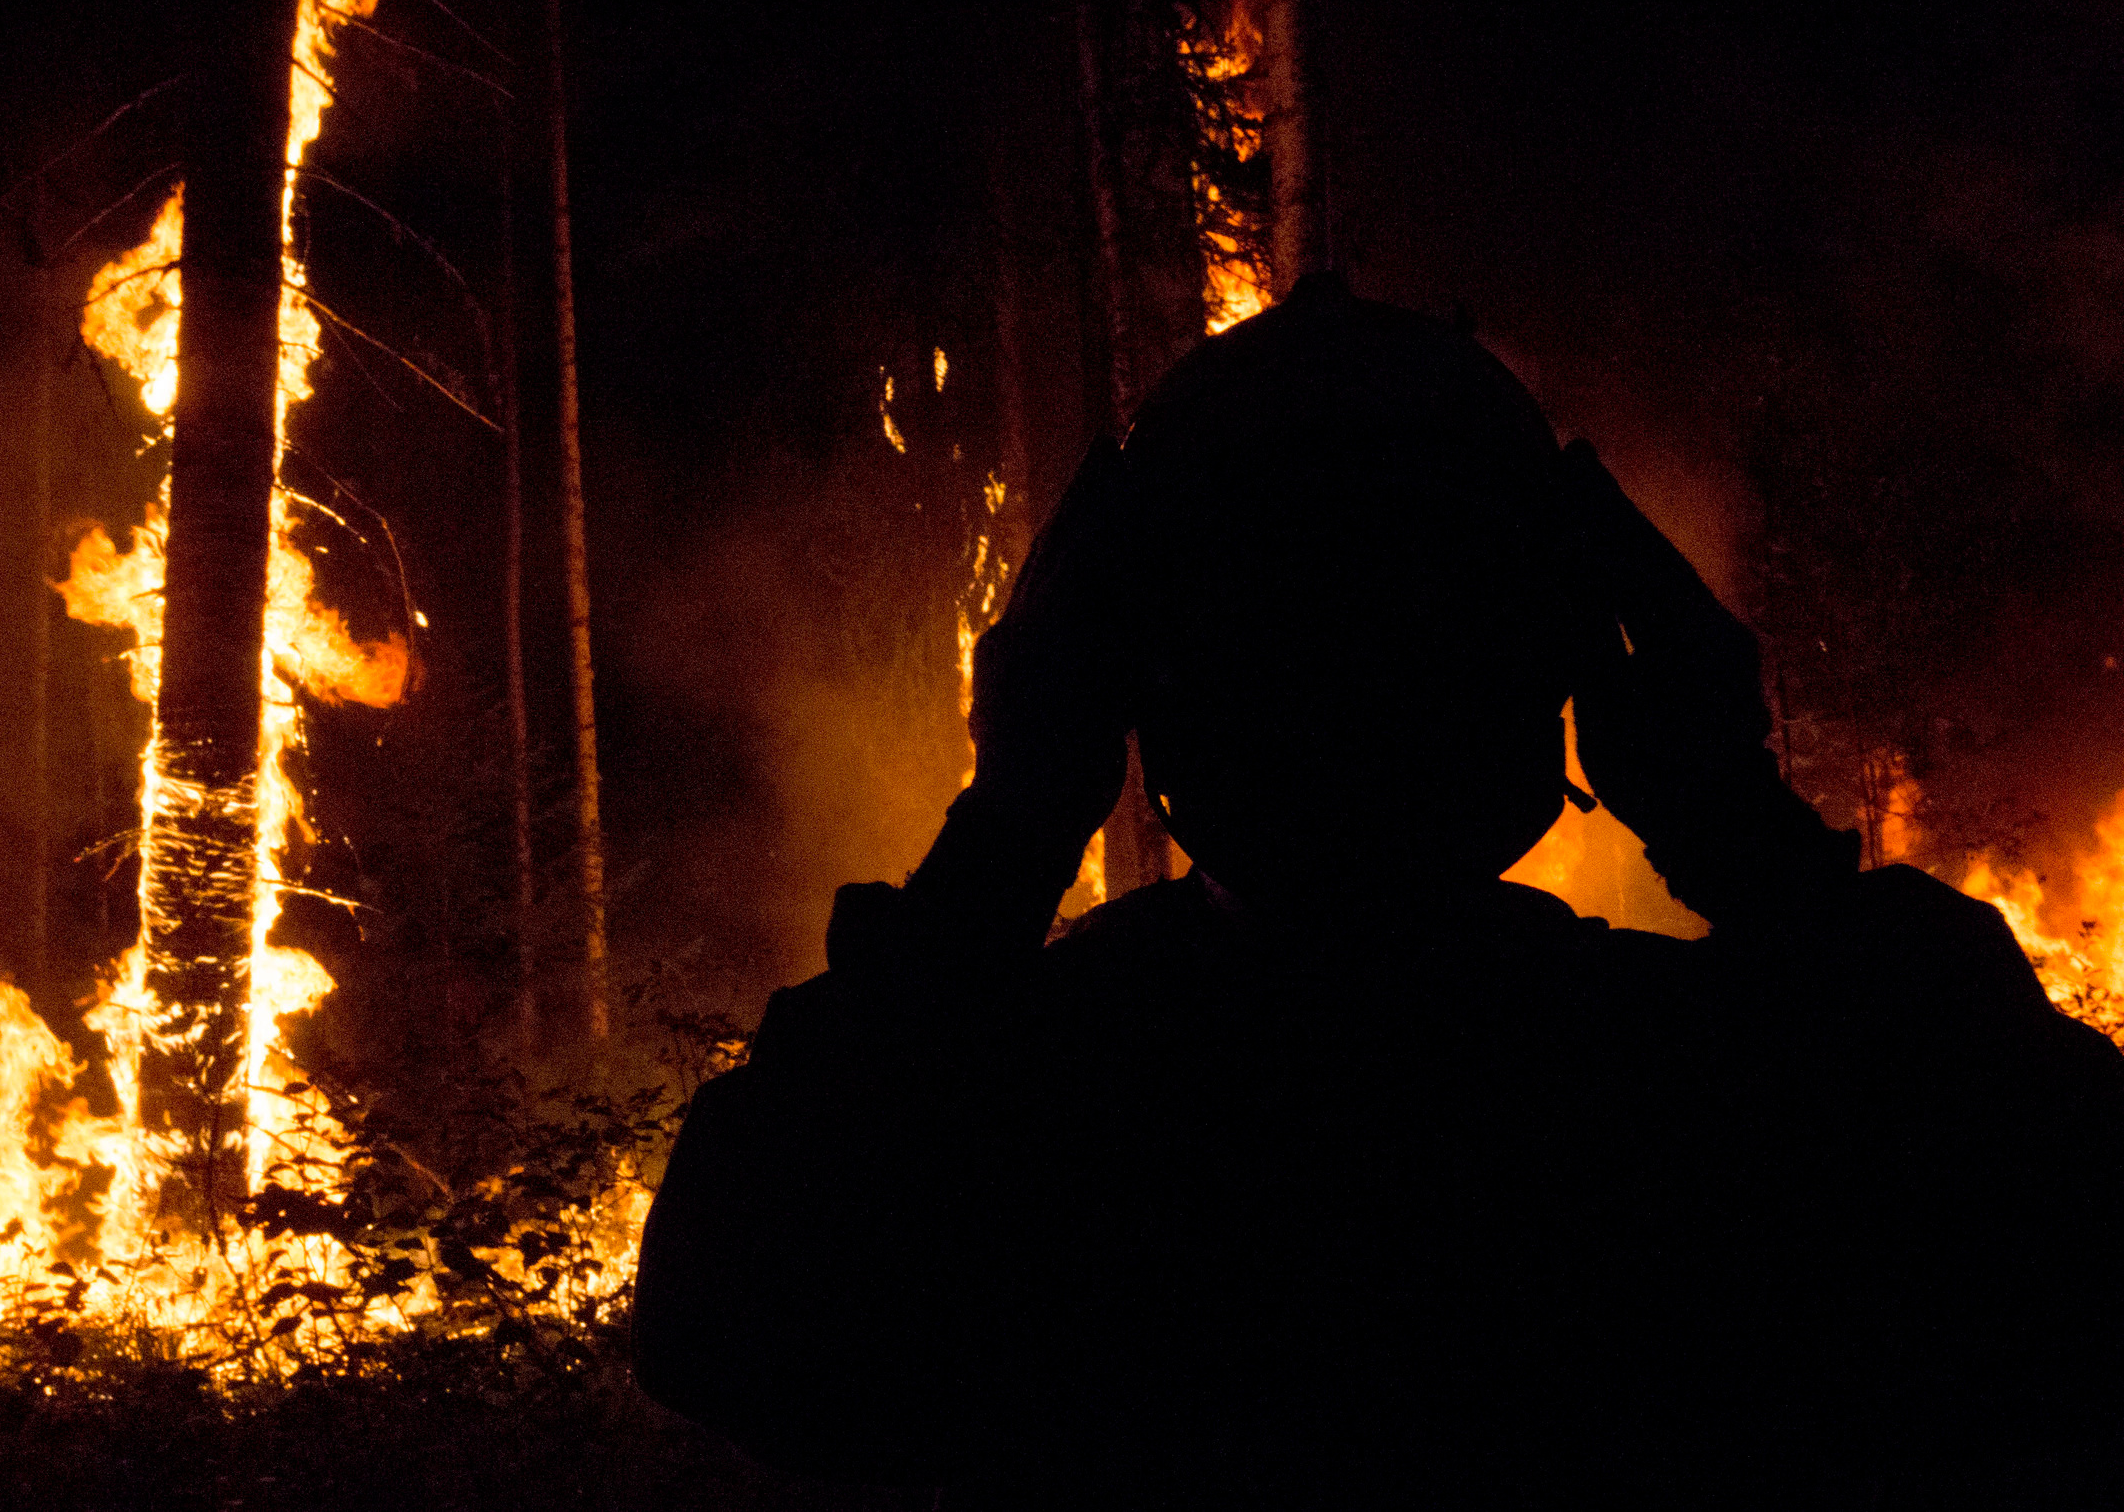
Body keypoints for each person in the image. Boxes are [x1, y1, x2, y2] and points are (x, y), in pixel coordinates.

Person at [634, 279, 2124, 1507]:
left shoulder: (1033, 1115)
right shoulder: (1706, 1093)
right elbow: (2072, 1252)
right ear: (1547, 677)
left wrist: (1012, 826)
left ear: (1138, 696)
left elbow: (727, 1313)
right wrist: (1740, 828)